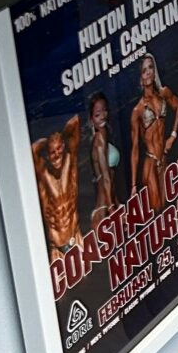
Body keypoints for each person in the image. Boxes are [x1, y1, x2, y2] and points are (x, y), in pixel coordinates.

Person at [129, 52, 178, 210]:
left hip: (163, 158)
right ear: (140, 77)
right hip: (150, 163)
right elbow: (135, 148)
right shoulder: (138, 110)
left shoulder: (163, 94)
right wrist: (133, 185)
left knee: (168, 206)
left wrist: (173, 135)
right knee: (158, 210)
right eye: (144, 70)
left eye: (150, 67)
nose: (148, 72)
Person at [32, 116, 82, 263]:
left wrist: (61, 136)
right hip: (58, 249)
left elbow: (75, 121)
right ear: (47, 155)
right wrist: (48, 141)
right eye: (52, 152)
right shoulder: (44, 177)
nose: (56, 155)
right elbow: (32, 150)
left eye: (59, 148)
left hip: (76, 238)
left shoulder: (70, 162)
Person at [88, 92, 117, 214]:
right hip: (105, 207)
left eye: (105, 111)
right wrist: (112, 209)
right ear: (91, 119)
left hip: (110, 201)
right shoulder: (99, 139)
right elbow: (105, 177)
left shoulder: (104, 132)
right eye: (97, 114)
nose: (103, 116)